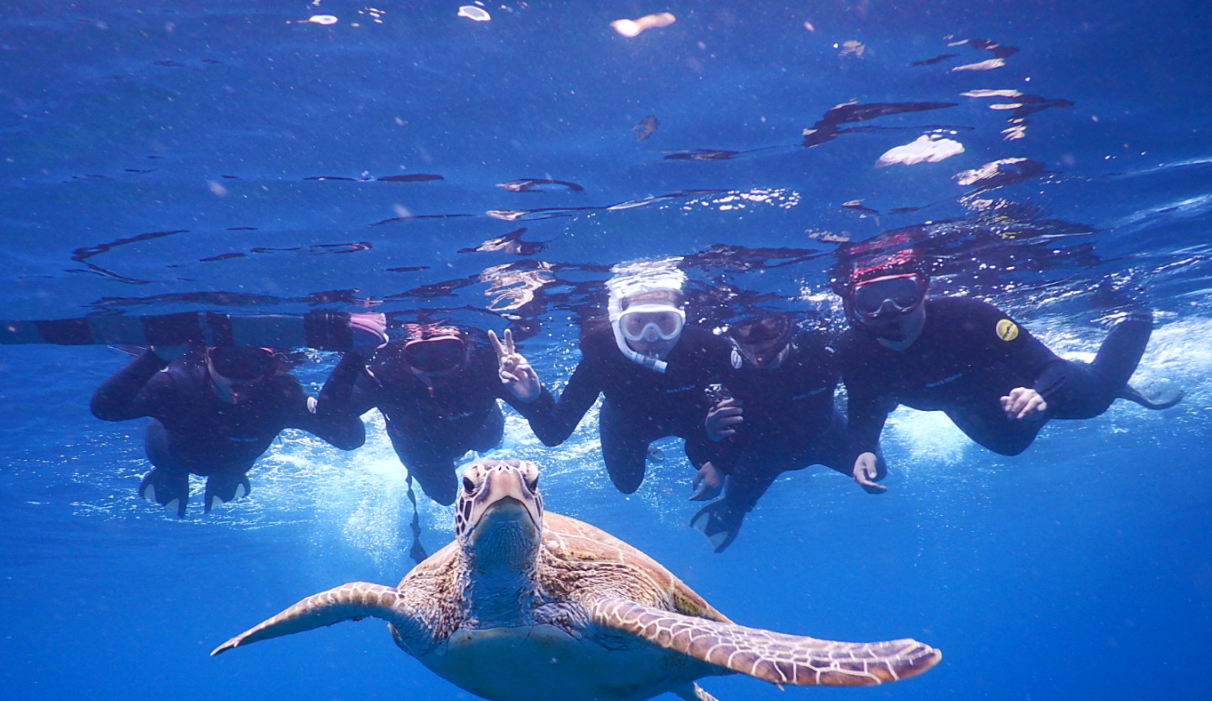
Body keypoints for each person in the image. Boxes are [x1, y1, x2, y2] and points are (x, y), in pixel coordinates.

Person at [836, 247, 1180, 494]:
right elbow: (865, 402)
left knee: (1096, 400)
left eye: (902, 295)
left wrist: (1039, 393)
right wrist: (864, 447)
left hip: (1032, 385)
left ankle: (1136, 316)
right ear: (853, 308)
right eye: (870, 302)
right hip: (972, 406)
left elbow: (1049, 366)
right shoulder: (853, 351)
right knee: (1009, 447)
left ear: (924, 291)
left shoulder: (969, 316)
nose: (890, 311)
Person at [90, 313, 386, 516]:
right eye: (228, 362)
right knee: (171, 465)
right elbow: (106, 409)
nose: (241, 376)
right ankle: (174, 476)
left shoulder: (281, 396)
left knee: (229, 469)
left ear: (269, 366)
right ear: (207, 358)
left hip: (233, 466)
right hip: (170, 458)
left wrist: (352, 363)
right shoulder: (178, 384)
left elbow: (348, 439)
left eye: (254, 364)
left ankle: (225, 477)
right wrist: (155, 356)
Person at [493, 258, 732, 494]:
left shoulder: (707, 346)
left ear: (681, 321)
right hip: (628, 425)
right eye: (636, 323)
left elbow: (754, 406)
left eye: (665, 322)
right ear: (619, 323)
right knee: (627, 485)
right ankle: (647, 446)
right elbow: (553, 434)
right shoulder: (603, 356)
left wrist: (722, 462)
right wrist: (534, 399)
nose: (652, 337)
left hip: (696, 421)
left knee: (717, 464)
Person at [688, 311, 859, 552]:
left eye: (769, 325)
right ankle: (728, 517)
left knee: (877, 471)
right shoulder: (725, 370)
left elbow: (864, 377)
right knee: (735, 504)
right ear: (734, 337)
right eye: (745, 328)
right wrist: (717, 455)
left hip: (829, 435)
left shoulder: (819, 349)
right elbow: (705, 432)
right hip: (767, 451)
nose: (759, 342)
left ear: (787, 326)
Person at [346, 323, 513, 506]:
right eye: (420, 355)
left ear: (464, 350)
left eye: (449, 353)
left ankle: (460, 454)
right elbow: (335, 413)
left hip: (476, 429)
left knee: (491, 442)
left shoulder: (480, 369)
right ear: (403, 355)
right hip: (421, 448)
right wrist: (356, 353)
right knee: (444, 496)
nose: (435, 365)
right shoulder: (385, 376)